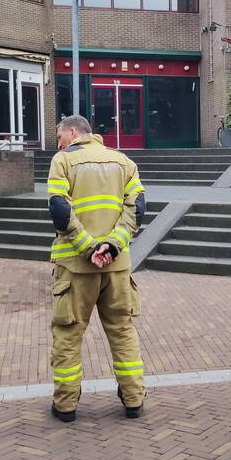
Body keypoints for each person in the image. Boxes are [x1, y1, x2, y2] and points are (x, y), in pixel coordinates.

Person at [47, 115, 146, 422]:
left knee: (68, 335)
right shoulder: (123, 161)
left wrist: (89, 248)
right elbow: (138, 208)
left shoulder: (62, 161)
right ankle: (133, 399)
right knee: (122, 332)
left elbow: (60, 210)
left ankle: (65, 406)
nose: (59, 142)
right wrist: (113, 245)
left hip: (77, 269)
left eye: (60, 136)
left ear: (73, 132)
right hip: (117, 269)